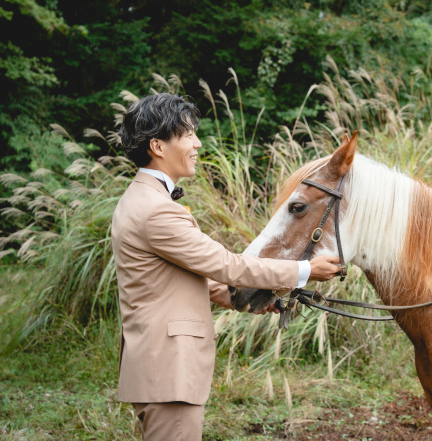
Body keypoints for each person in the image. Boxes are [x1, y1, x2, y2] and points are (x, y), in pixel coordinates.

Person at [111, 92, 342, 440]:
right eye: (188, 135)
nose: (197, 143)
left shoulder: (141, 199)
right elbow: (225, 264)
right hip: (169, 368)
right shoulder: (156, 210)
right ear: (157, 146)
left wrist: (244, 298)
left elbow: (176, 279)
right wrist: (305, 271)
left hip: (160, 366)